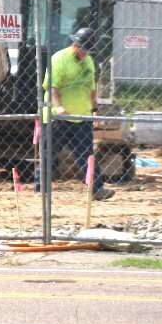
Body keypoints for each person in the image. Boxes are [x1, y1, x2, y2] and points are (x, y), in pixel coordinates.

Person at [42, 27, 112, 200]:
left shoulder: (88, 61)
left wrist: (94, 112)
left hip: (82, 117)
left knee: (87, 155)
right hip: (58, 118)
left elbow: (91, 88)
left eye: (89, 50)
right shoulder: (59, 58)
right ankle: (41, 188)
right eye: (84, 50)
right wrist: (58, 107)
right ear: (76, 45)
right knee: (49, 153)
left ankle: (97, 189)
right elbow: (52, 86)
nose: (86, 54)